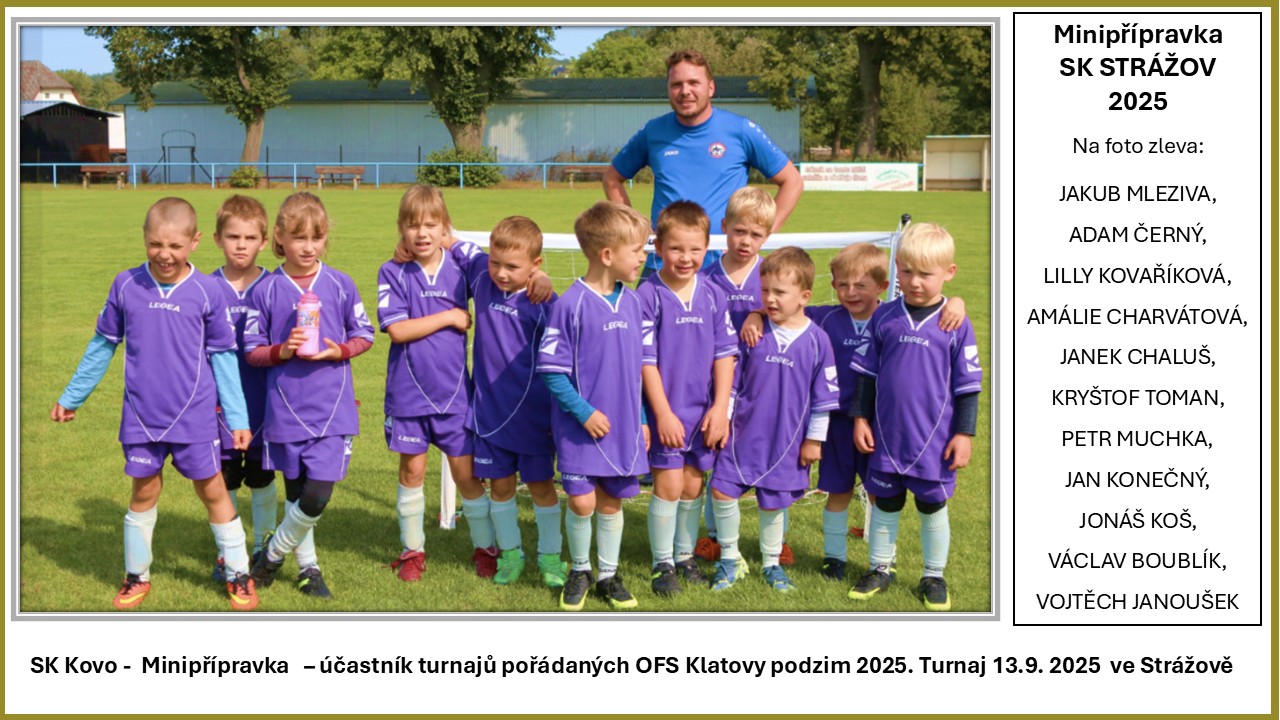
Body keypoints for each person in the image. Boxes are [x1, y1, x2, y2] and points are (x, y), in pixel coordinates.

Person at [50, 197, 259, 611]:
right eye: (155, 244)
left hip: (194, 416)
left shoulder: (208, 290)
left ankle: (238, 573)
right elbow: (103, 344)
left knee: (213, 489)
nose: (165, 254)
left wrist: (238, 418)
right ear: (144, 238)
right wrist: (72, 396)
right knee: (143, 490)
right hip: (142, 416)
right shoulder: (126, 284)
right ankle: (136, 575)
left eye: (175, 246)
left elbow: (223, 357)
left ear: (195, 242)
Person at [739, 243, 967, 580]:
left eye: (861, 285)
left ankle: (883, 562)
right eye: (842, 285)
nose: (851, 292)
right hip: (835, 424)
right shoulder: (825, 317)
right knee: (838, 491)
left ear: (883, 286)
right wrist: (755, 314)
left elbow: (938, 305)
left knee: (880, 493)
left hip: (878, 425)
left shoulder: (890, 317)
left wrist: (957, 302)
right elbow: (784, 307)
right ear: (832, 285)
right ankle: (834, 557)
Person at [246, 192, 375, 600]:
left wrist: (338, 350)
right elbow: (251, 350)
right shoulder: (265, 290)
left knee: (317, 495)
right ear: (279, 238)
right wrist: (281, 351)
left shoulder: (340, 283)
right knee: (296, 495)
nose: (308, 247)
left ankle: (271, 556)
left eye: (316, 238)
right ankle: (309, 570)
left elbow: (365, 334)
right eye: (298, 237)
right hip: (285, 410)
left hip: (332, 410)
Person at [847, 223, 983, 611]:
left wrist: (964, 434)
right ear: (897, 269)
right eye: (906, 271)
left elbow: (968, 386)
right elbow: (866, 375)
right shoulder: (884, 317)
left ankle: (934, 575)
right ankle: (880, 568)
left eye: (925, 273)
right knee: (885, 503)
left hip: (934, 441)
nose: (915, 281)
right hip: (888, 437)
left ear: (948, 273)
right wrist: (860, 419)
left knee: (931, 507)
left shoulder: (955, 323)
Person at [536, 201, 651, 611]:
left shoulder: (634, 303)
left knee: (611, 501)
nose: (643, 256)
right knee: (583, 501)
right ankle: (580, 569)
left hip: (622, 427)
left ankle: (608, 574)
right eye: (636, 250)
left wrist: (641, 419)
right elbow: (551, 372)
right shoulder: (570, 305)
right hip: (579, 428)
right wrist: (584, 413)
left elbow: (636, 372)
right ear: (606, 255)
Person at [377, 185, 495, 581]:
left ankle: (486, 548)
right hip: (408, 396)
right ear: (401, 229)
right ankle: (412, 551)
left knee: (467, 476)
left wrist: (454, 241)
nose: (422, 233)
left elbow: (497, 267)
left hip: (454, 396)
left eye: (431, 224)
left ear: (445, 226)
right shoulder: (392, 271)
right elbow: (397, 330)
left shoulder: (461, 267)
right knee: (411, 472)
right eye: (413, 226)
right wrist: (449, 316)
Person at [603, 48, 803, 279]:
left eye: (693, 83)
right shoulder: (653, 131)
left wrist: (761, 234)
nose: (685, 91)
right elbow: (612, 178)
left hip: (725, 266)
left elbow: (792, 181)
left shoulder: (740, 130)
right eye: (676, 84)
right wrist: (638, 231)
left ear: (710, 87)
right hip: (663, 263)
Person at [707, 247, 840, 593]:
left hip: (787, 440)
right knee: (722, 490)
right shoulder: (753, 333)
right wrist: (723, 419)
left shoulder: (818, 341)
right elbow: (732, 383)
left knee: (774, 501)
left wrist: (814, 440)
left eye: (780, 292)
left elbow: (823, 398)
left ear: (804, 296)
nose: (769, 299)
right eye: (764, 290)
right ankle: (730, 558)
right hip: (742, 434)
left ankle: (771, 563)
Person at [446, 216, 564, 587]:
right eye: (496, 262)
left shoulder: (545, 302)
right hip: (488, 413)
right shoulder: (482, 273)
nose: (500, 272)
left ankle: (550, 558)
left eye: (512, 267)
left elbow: (564, 359)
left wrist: (544, 282)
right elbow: (449, 239)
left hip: (534, 417)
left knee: (542, 487)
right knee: (500, 487)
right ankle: (510, 554)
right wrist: (408, 244)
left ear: (535, 265)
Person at [636, 201, 737, 596]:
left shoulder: (713, 294)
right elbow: (645, 362)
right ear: (658, 247)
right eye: (676, 248)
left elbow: (724, 354)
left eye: (695, 249)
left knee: (693, 486)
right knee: (669, 486)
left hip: (703, 414)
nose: (685, 257)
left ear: (707, 247)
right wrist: (661, 413)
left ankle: (683, 555)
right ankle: (662, 563)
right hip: (667, 413)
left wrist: (720, 408)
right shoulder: (648, 294)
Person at [693, 186, 795, 565]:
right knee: (717, 457)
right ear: (724, 227)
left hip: (765, 385)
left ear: (767, 236)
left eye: (756, 234)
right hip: (717, 386)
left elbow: (796, 311)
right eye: (739, 231)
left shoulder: (771, 275)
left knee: (774, 455)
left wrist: (759, 312)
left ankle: (778, 539)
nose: (746, 241)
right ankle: (714, 535)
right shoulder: (705, 277)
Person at [209, 195, 277, 579]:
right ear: (217, 238)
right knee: (225, 476)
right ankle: (228, 551)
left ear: (264, 241)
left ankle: (263, 546)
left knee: (263, 475)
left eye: (250, 238)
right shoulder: (206, 287)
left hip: (266, 399)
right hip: (218, 404)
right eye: (233, 236)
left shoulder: (275, 285)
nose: (241, 245)